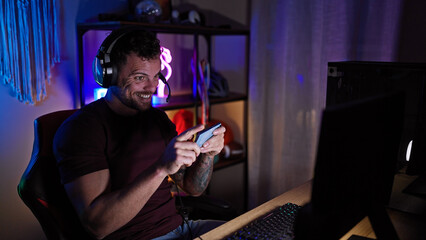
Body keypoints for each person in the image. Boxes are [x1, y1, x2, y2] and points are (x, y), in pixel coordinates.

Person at [53, 28, 226, 240]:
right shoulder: (82, 130)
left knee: (257, 231)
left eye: (156, 76)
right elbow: (97, 225)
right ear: (110, 74)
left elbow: (192, 188)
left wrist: (208, 153)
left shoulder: (158, 120)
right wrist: (160, 168)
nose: (152, 87)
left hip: (182, 229)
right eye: (140, 77)